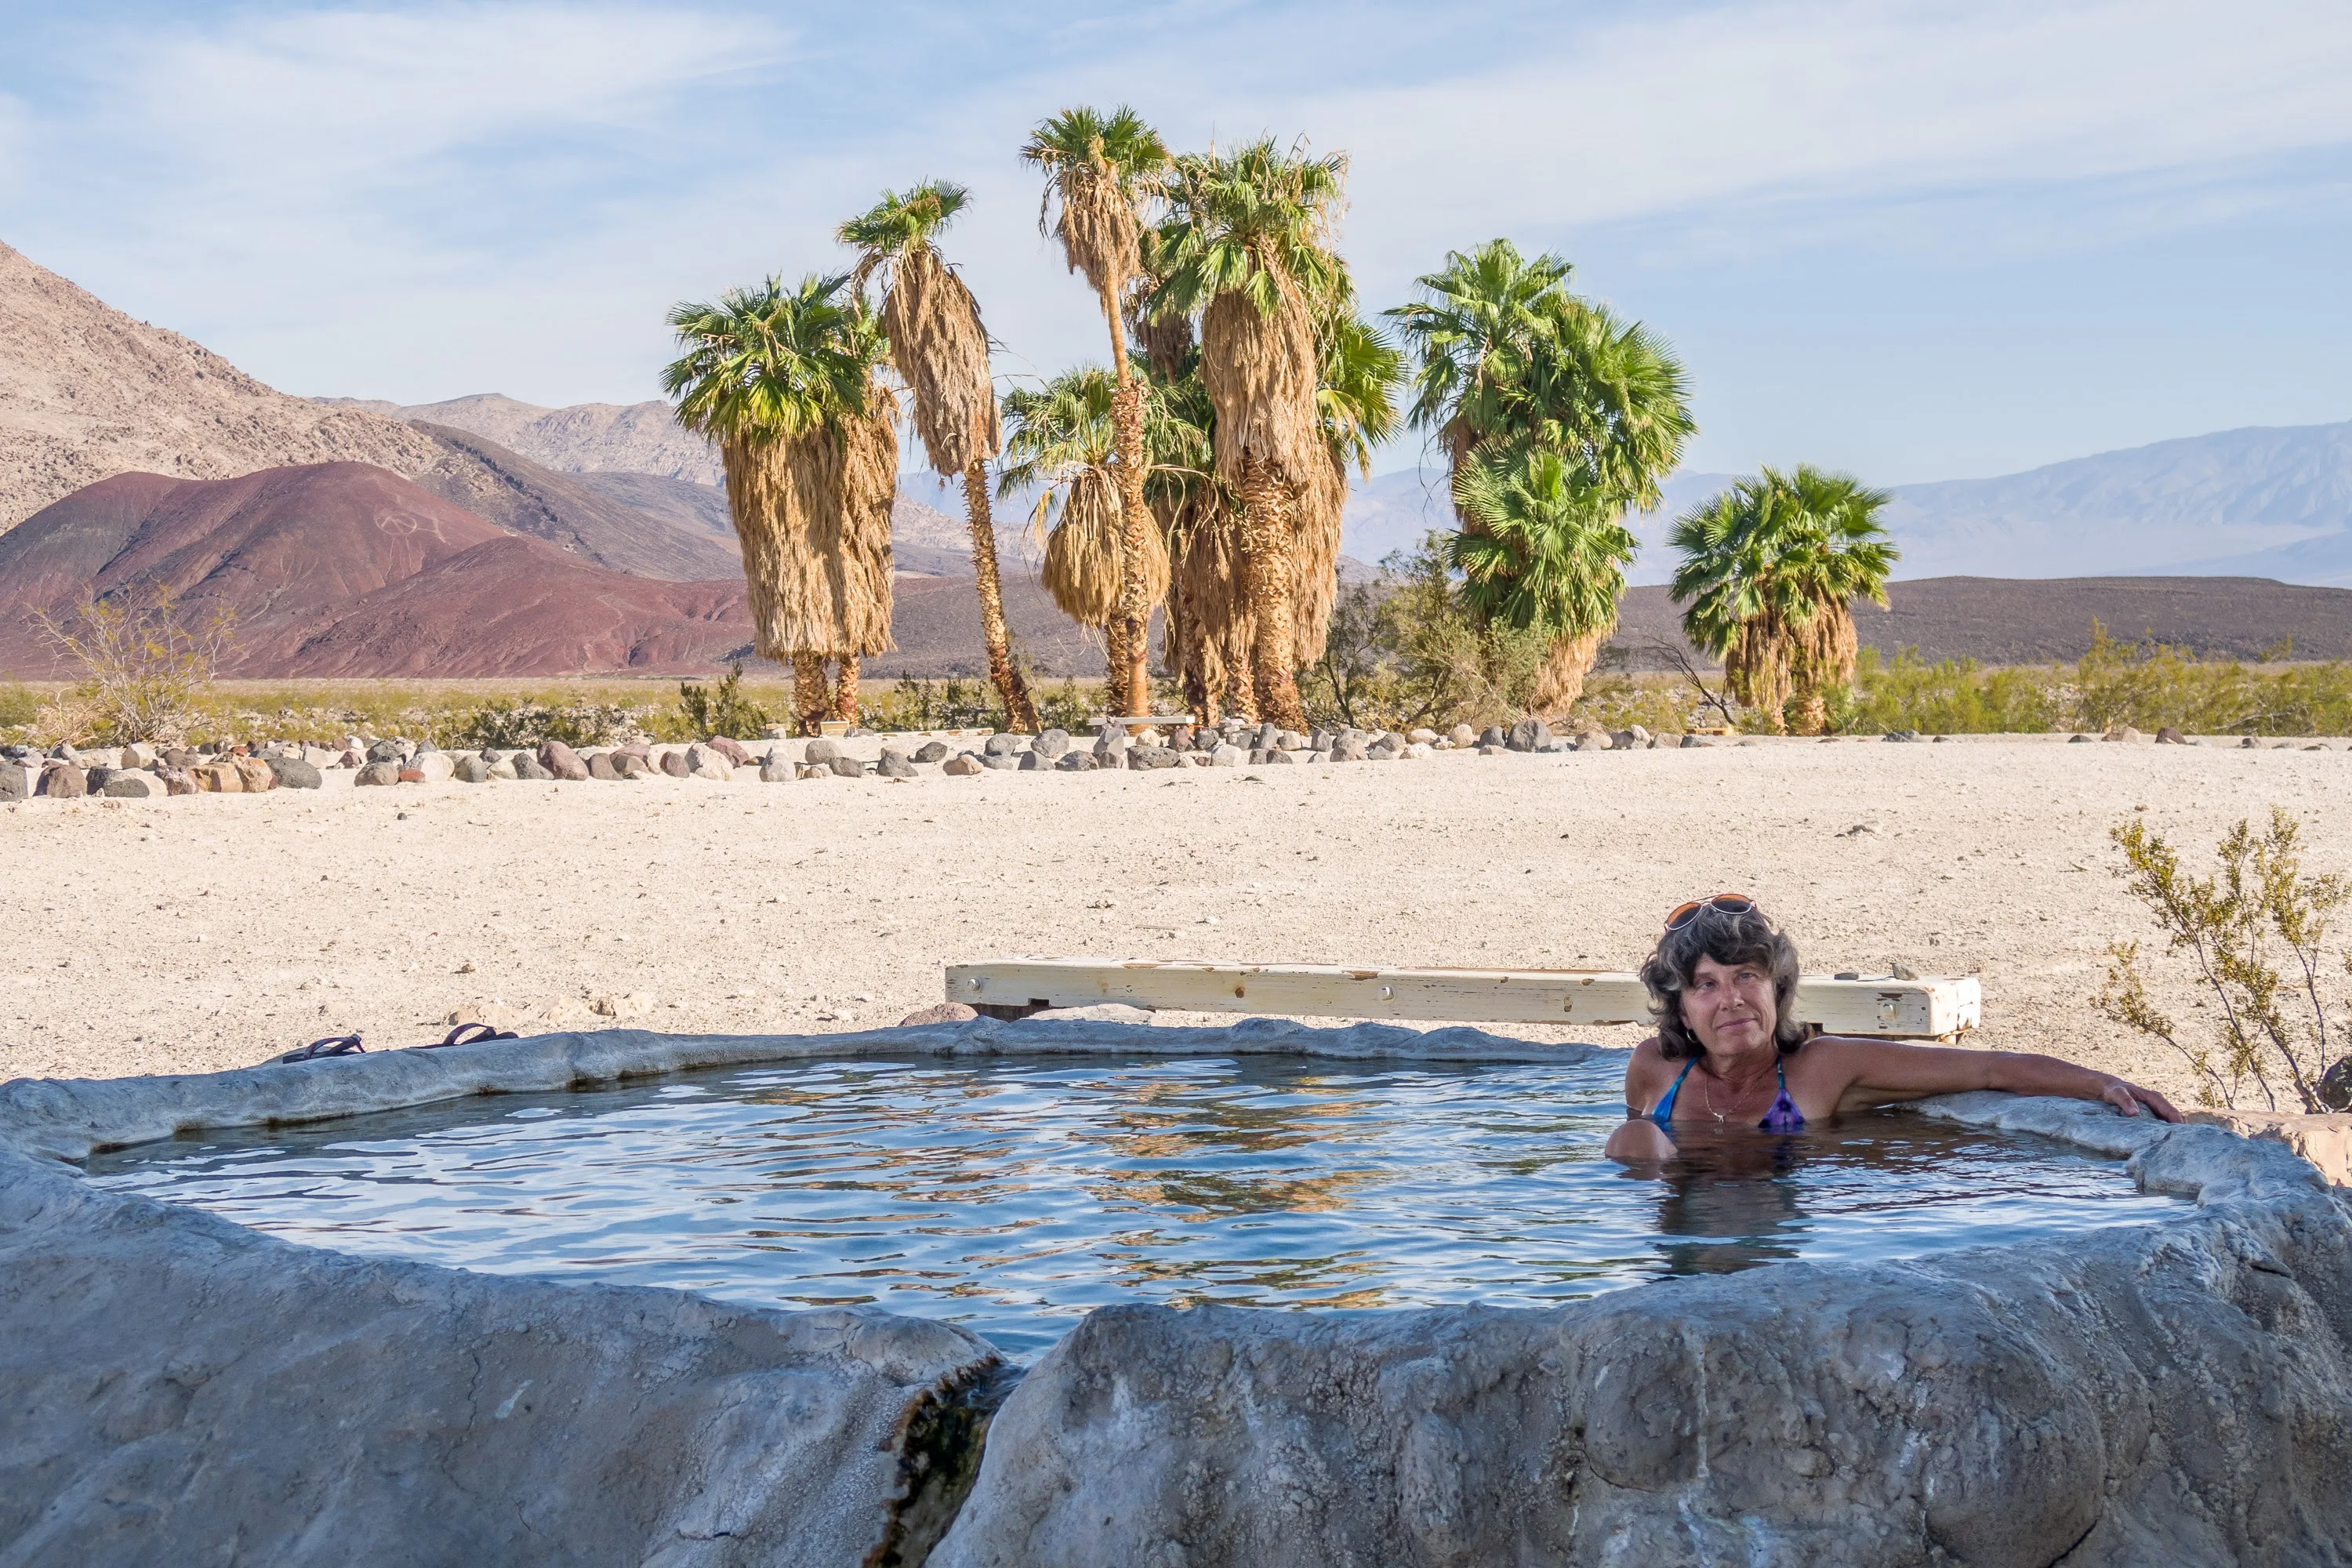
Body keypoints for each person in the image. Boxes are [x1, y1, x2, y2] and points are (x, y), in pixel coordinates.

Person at [1604, 894, 2180, 1164]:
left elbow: (1987, 1068)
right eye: (1706, 985)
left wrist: (2098, 1083)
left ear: (1776, 990)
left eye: (1747, 977)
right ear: (1681, 1011)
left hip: (1768, 1229)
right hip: (1675, 1246)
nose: (1731, 1000)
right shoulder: (1653, 1070)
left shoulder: (1821, 1069)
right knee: (1635, 1139)